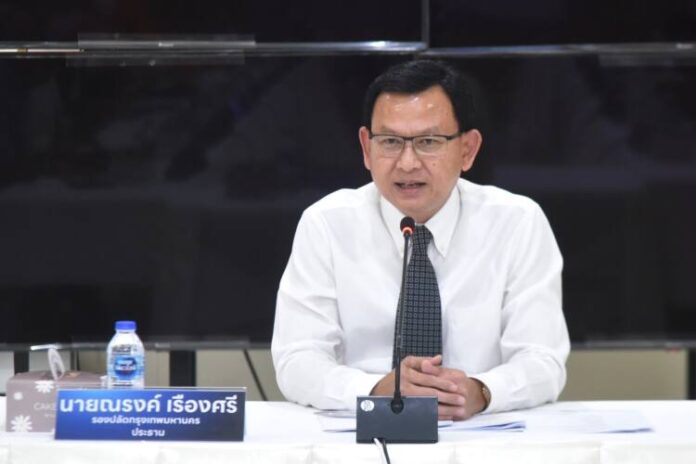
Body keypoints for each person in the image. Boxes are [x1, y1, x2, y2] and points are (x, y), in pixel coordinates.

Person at [272, 59, 569, 420]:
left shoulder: (517, 222)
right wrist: (377, 389)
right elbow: (297, 360)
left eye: (428, 142)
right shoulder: (326, 224)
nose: (408, 163)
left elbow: (543, 360)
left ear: (467, 149)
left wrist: (481, 391)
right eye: (390, 142)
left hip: (479, 433)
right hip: (358, 435)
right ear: (366, 147)